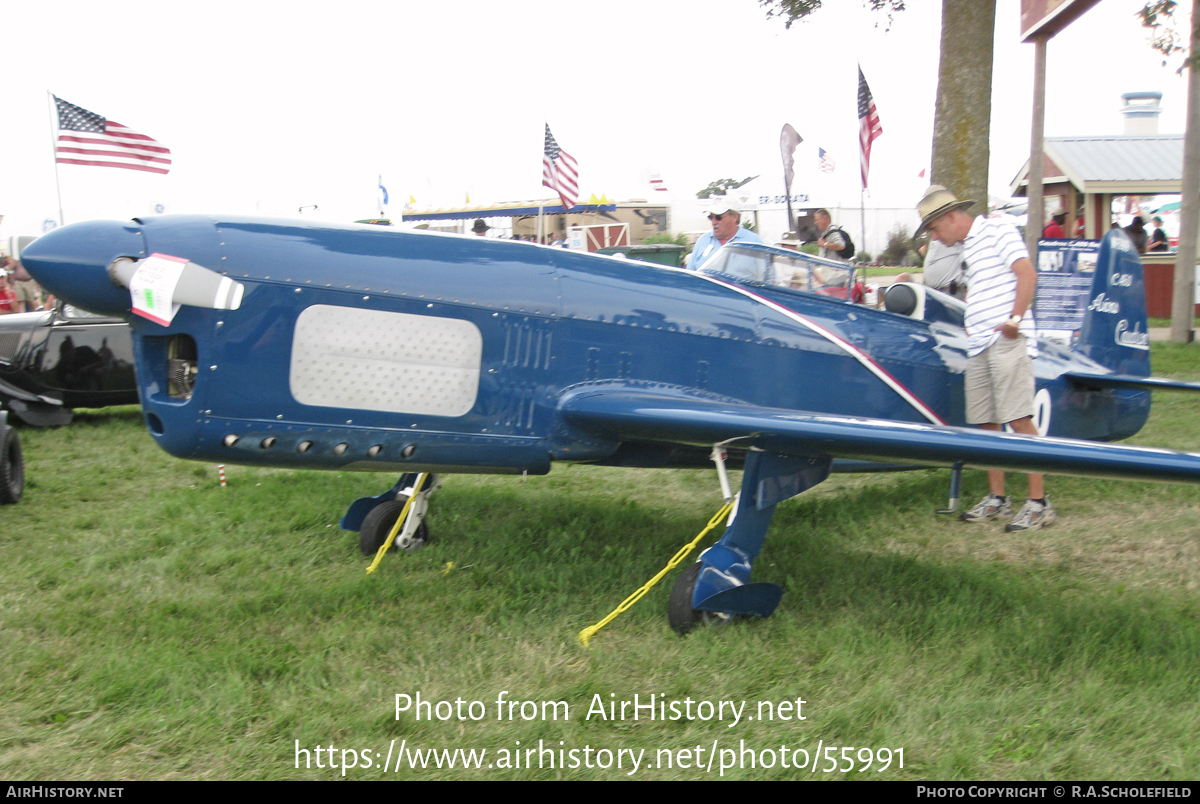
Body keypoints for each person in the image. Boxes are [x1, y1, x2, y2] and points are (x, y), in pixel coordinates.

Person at [915, 184, 1054, 532]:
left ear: (951, 216)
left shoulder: (997, 229)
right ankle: (998, 499)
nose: (934, 237)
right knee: (986, 423)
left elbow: (1027, 273)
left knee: (1019, 419)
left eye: (934, 228)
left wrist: (1015, 321)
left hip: (1004, 340)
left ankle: (1039, 503)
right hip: (977, 344)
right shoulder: (965, 248)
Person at [688, 199, 764, 278]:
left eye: (718, 217)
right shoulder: (703, 240)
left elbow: (768, 277)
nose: (714, 222)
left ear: (734, 217)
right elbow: (690, 274)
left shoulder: (753, 241)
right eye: (711, 217)